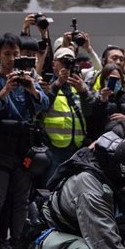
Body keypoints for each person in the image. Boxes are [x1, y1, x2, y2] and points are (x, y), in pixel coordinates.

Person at [0, 33, 49, 249]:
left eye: (15, 54)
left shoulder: (30, 78)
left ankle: (18, 244)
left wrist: (32, 89)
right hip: (1, 147)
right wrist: (5, 90)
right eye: (6, 54)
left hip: (24, 147)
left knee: (20, 200)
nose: (11, 59)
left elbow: (44, 104)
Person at [41, 47, 94, 181]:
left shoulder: (79, 85)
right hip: (54, 148)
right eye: (63, 60)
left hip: (76, 148)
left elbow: (89, 113)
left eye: (70, 61)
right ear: (54, 64)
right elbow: (43, 107)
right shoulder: (46, 84)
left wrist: (83, 91)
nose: (67, 64)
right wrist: (57, 84)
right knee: (50, 186)